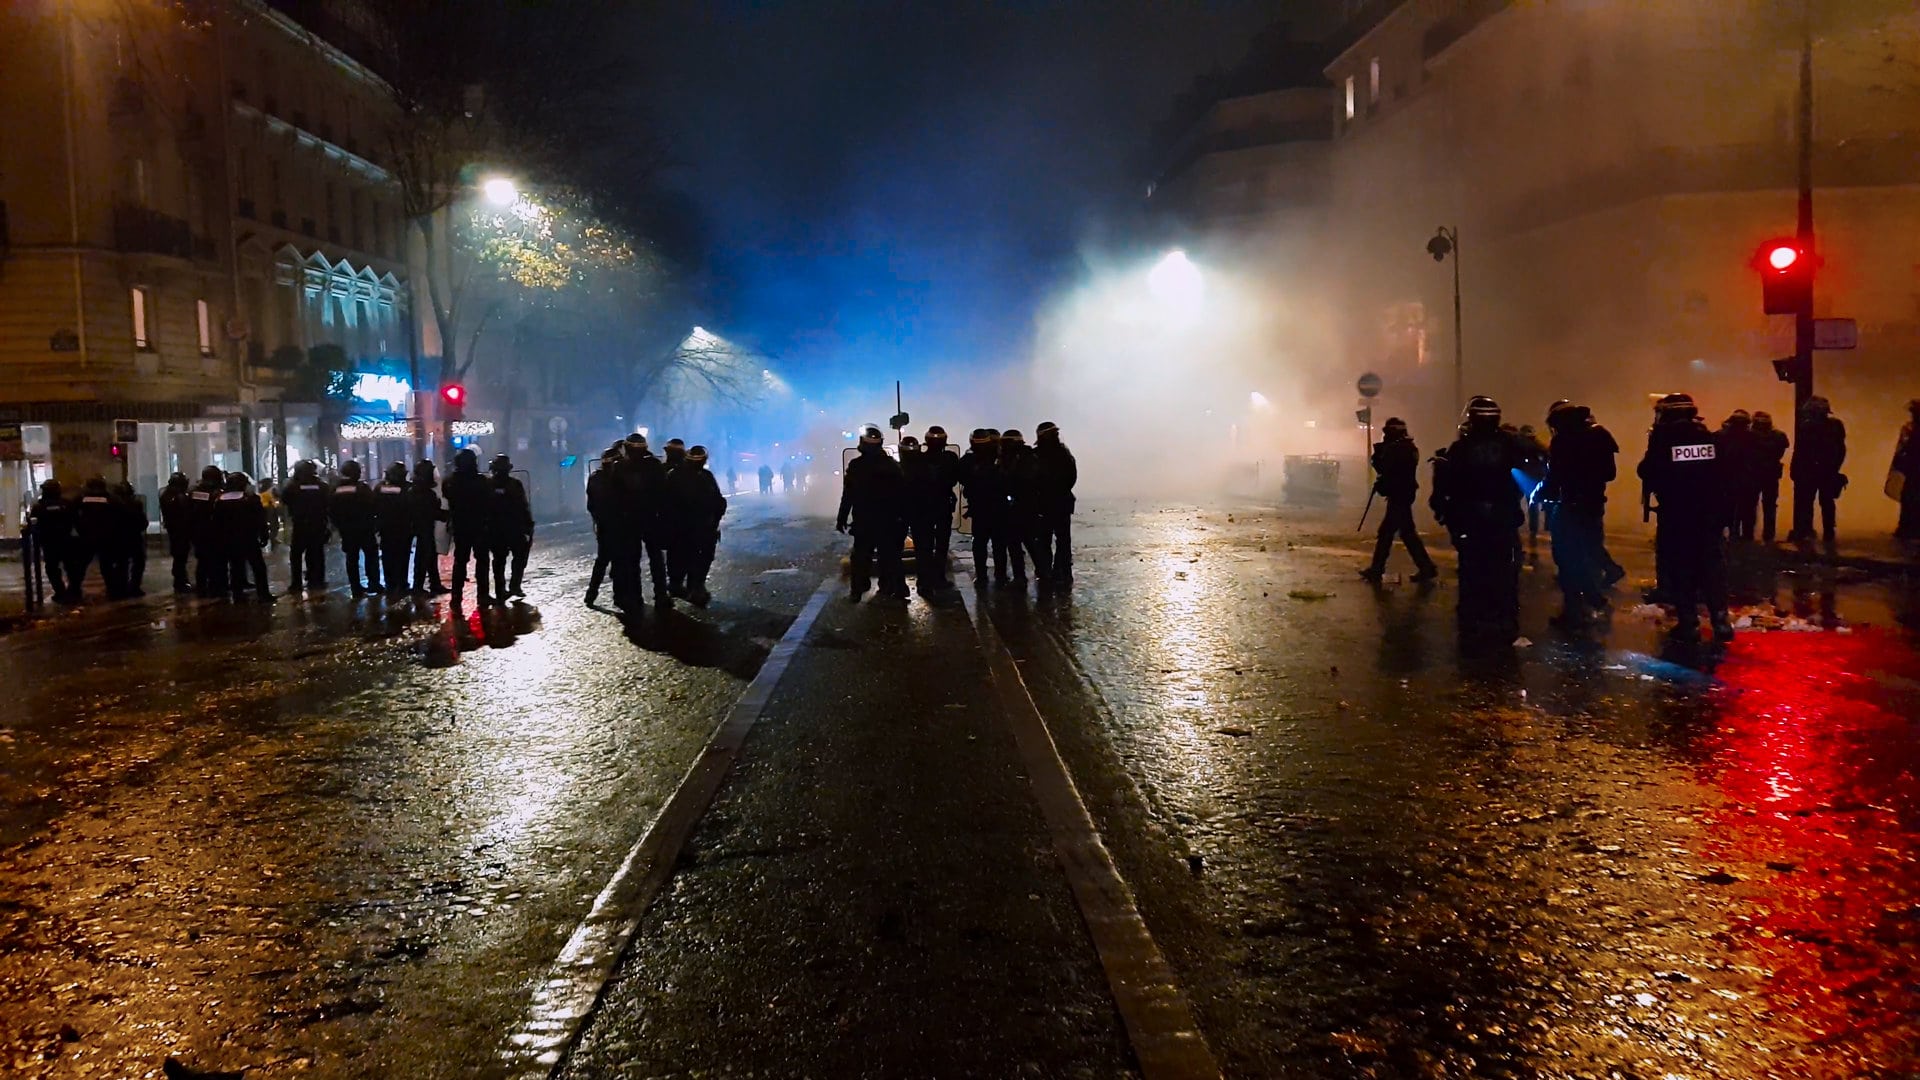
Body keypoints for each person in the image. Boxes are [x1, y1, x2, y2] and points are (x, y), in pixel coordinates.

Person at [1429, 396, 1528, 646]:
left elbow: (1447, 486)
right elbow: (1528, 474)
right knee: (1504, 571)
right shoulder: (1510, 445)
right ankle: (1504, 620)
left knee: (1472, 571)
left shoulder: (1461, 448)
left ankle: (1474, 623)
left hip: (1470, 521)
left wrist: (1442, 509)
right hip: (1503, 520)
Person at [1638, 392, 1732, 642]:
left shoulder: (1662, 438)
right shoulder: (1708, 436)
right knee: (1712, 567)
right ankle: (1721, 620)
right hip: (1708, 515)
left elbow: (1648, 471)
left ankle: (1688, 621)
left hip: (1677, 515)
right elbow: (1723, 474)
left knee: (1682, 568)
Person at [1541, 403, 1617, 626]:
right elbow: (1610, 473)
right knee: (1590, 552)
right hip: (1594, 504)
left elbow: (1555, 477)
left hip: (1570, 505)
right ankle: (1592, 600)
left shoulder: (1563, 441)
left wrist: (1544, 493)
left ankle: (1576, 608)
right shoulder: (1601, 435)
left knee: (1566, 557)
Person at [1360, 417, 1439, 584]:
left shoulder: (1398, 449)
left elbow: (1383, 467)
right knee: (1405, 533)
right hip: (1403, 493)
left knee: (1388, 533)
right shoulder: (1407, 447)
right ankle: (1425, 567)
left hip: (1399, 495)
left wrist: (1380, 451)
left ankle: (1378, 569)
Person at [837, 425, 907, 601]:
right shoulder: (893, 466)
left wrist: (842, 517)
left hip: (864, 521)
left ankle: (857, 589)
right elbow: (902, 494)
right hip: (888, 521)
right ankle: (894, 588)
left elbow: (848, 495)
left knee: (860, 556)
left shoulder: (856, 466)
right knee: (890, 556)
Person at [664, 443, 727, 606]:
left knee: (687, 557)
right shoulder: (702, 476)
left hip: (689, 528)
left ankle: (686, 585)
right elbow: (718, 501)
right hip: (694, 527)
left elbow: (718, 501)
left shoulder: (677, 475)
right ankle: (690, 585)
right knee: (695, 558)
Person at [620, 432, 672, 611]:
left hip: (630, 521)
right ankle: (660, 594)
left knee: (633, 560)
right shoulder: (654, 465)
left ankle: (636, 596)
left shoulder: (620, 467)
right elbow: (664, 494)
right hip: (651, 518)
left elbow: (614, 497)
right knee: (655, 559)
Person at [1789, 395, 1846, 545]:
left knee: (1807, 501)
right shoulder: (1836, 426)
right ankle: (1829, 531)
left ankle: (1807, 532)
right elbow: (1841, 449)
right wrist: (1834, 467)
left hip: (1809, 471)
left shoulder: (1807, 427)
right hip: (1827, 470)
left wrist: (1795, 469)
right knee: (1827, 501)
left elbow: (1801, 451)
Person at [443, 448, 492, 605]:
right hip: (479, 525)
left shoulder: (450, 481)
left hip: (460, 525)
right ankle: (482, 595)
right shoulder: (481, 481)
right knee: (482, 561)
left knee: (460, 561)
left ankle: (456, 597)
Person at [958, 428, 1006, 585]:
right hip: (999, 508)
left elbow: (962, 479)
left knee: (979, 544)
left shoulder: (968, 460)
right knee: (999, 544)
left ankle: (982, 576)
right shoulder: (1000, 458)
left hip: (979, 508)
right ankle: (1001, 576)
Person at [217, 471, 274, 601]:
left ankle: (238, 594)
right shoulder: (251, 499)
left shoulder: (221, 500)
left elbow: (217, 522)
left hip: (230, 539)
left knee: (236, 567)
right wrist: (264, 535)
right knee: (258, 567)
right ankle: (263, 594)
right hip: (249, 538)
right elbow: (260, 520)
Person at [486, 454, 534, 600]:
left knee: (501, 560)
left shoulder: (489, 485)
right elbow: (523, 506)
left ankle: (505, 589)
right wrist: (528, 525)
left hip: (501, 529)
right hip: (511, 528)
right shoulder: (513, 484)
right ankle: (512, 586)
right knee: (514, 558)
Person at [329, 460, 381, 595]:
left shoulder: (336, 489)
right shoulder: (362, 488)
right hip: (364, 529)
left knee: (351, 558)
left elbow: (331, 510)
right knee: (371, 556)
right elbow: (373, 506)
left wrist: (339, 525)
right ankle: (373, 584)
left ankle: (355, 587)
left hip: (347, 530)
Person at [919, 426, 961, 590]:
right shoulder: (950, 458)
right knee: (941, 544)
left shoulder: (920, 459)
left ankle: (925, 580)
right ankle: (939, 578)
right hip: (943, 505)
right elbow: (956, 479)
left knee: (925, 545)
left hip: (925, 506)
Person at [280, 460, 330, 595]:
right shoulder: (321, 486)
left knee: (296, 555)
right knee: (316, 553)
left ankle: (296, 583)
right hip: (318, 523)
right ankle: (317, 580)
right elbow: (328, 502)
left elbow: (284, 499)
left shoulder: (292, 486)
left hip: (300, 524)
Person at [585, 445, 624, 608]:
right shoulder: (619, 478)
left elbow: (591, 504)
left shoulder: (595, 478)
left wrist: (598, 519)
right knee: (619, 561)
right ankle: (619, 596)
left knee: (602, 560)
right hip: (620, 524)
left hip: (603, 525)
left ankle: (591, 594)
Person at [72, 477, 123, 599]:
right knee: (107, 566)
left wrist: (80, 530)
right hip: (106, 538)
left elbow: (73, 516)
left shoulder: (81, 499)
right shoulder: (112, 499)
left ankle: (74, 591)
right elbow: (119, 517)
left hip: (86, 537)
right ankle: (113, 591)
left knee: (80, 566)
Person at [28, 480, 78, 604]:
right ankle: (74, 591)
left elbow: (32, 523)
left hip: (48, 542)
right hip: (66, 541)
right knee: (71, 567)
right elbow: (75, 519)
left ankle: (60, 592)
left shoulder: (39, 507)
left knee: (52, 568)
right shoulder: (66, 504)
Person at [997, 428, 1035, 586]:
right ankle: (1040, 573)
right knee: (1026, 543)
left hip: (1019, 507)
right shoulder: (1029, 456)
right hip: (1024, 507)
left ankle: (1022, 576)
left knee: (1019, 544)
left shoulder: (1018, 458)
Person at [1718, 410, 1762, 543]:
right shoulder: (1754, 437)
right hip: (1748, 479)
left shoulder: (1720, 436)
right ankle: (1747, 535)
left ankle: (1732, 532)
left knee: (1728, 507)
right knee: (1748, 508)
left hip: (1727, 479)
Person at [408, 461, 449, 595]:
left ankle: (433, 584)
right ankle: (419, 586)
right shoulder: (426, 494)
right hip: (424, 528)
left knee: (430, 556)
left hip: (420, 527)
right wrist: (446, 515)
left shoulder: (414, 490)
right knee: (424, 556)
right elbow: (432, 512)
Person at [374, 462, 413, 598]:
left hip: (386, 528)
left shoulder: (380, 488)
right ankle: (402, 584)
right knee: (403, 556)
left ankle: (390, 584)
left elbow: (374, 506)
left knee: (387, 556)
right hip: (403, 528)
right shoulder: (408, 488)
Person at [1751, 410, 1789, 543]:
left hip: (1753, 474)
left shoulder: (1749, 436)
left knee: (1751, 504)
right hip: (1771, 475)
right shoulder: (1779, 436)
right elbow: (1781, 452)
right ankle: (1768, 535)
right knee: (1770, 505)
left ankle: (1749, 533)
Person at [190, 465, 228, 595]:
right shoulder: (212, 493)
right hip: (211, 531)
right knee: (215, 561)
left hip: (200, 532)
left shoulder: (195, 491)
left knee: (204, 561)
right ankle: (215, 587)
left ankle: (204, 587)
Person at [112, 481, 148, 597]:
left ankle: (121, 588)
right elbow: (143, 522)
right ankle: (134, 587)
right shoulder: (136, 504)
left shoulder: (112, 505)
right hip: (134, 537)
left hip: (118, 538)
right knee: (138, 563)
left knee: (121, 564)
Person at [158, 472, 194, 593]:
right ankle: (180, 582)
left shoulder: (166, 494)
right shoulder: (178, 496)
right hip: (180, 530)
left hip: (175, 530)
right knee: (180, 557)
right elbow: (186, 513)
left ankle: (181, 580)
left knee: (179, 556)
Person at [1516, 423, 1549, 546]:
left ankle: (1531, 529)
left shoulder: (1519, 446)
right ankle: (1535, 529)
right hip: (1534, 477)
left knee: (1522, 503)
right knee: (1534, 505)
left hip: (1527, 477)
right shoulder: (1538, 447)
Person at [1895, 399, 1920, 541]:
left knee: (1910, 498)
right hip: (1913, 470)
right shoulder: (1911, 429)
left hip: (1913, 471)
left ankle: (1908, 528)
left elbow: (1906, 450)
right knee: (1909, 498)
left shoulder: (1912, 430)